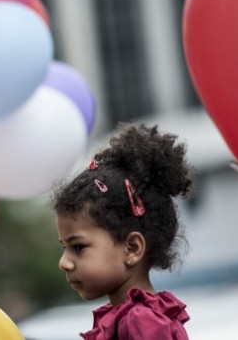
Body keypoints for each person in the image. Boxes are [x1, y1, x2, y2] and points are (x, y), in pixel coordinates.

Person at [52, 122, 193, 339]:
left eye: (78, 247)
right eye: (65, 247)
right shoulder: (132, 317)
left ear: (132, 248)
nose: (64, 263)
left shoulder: (142, 321)